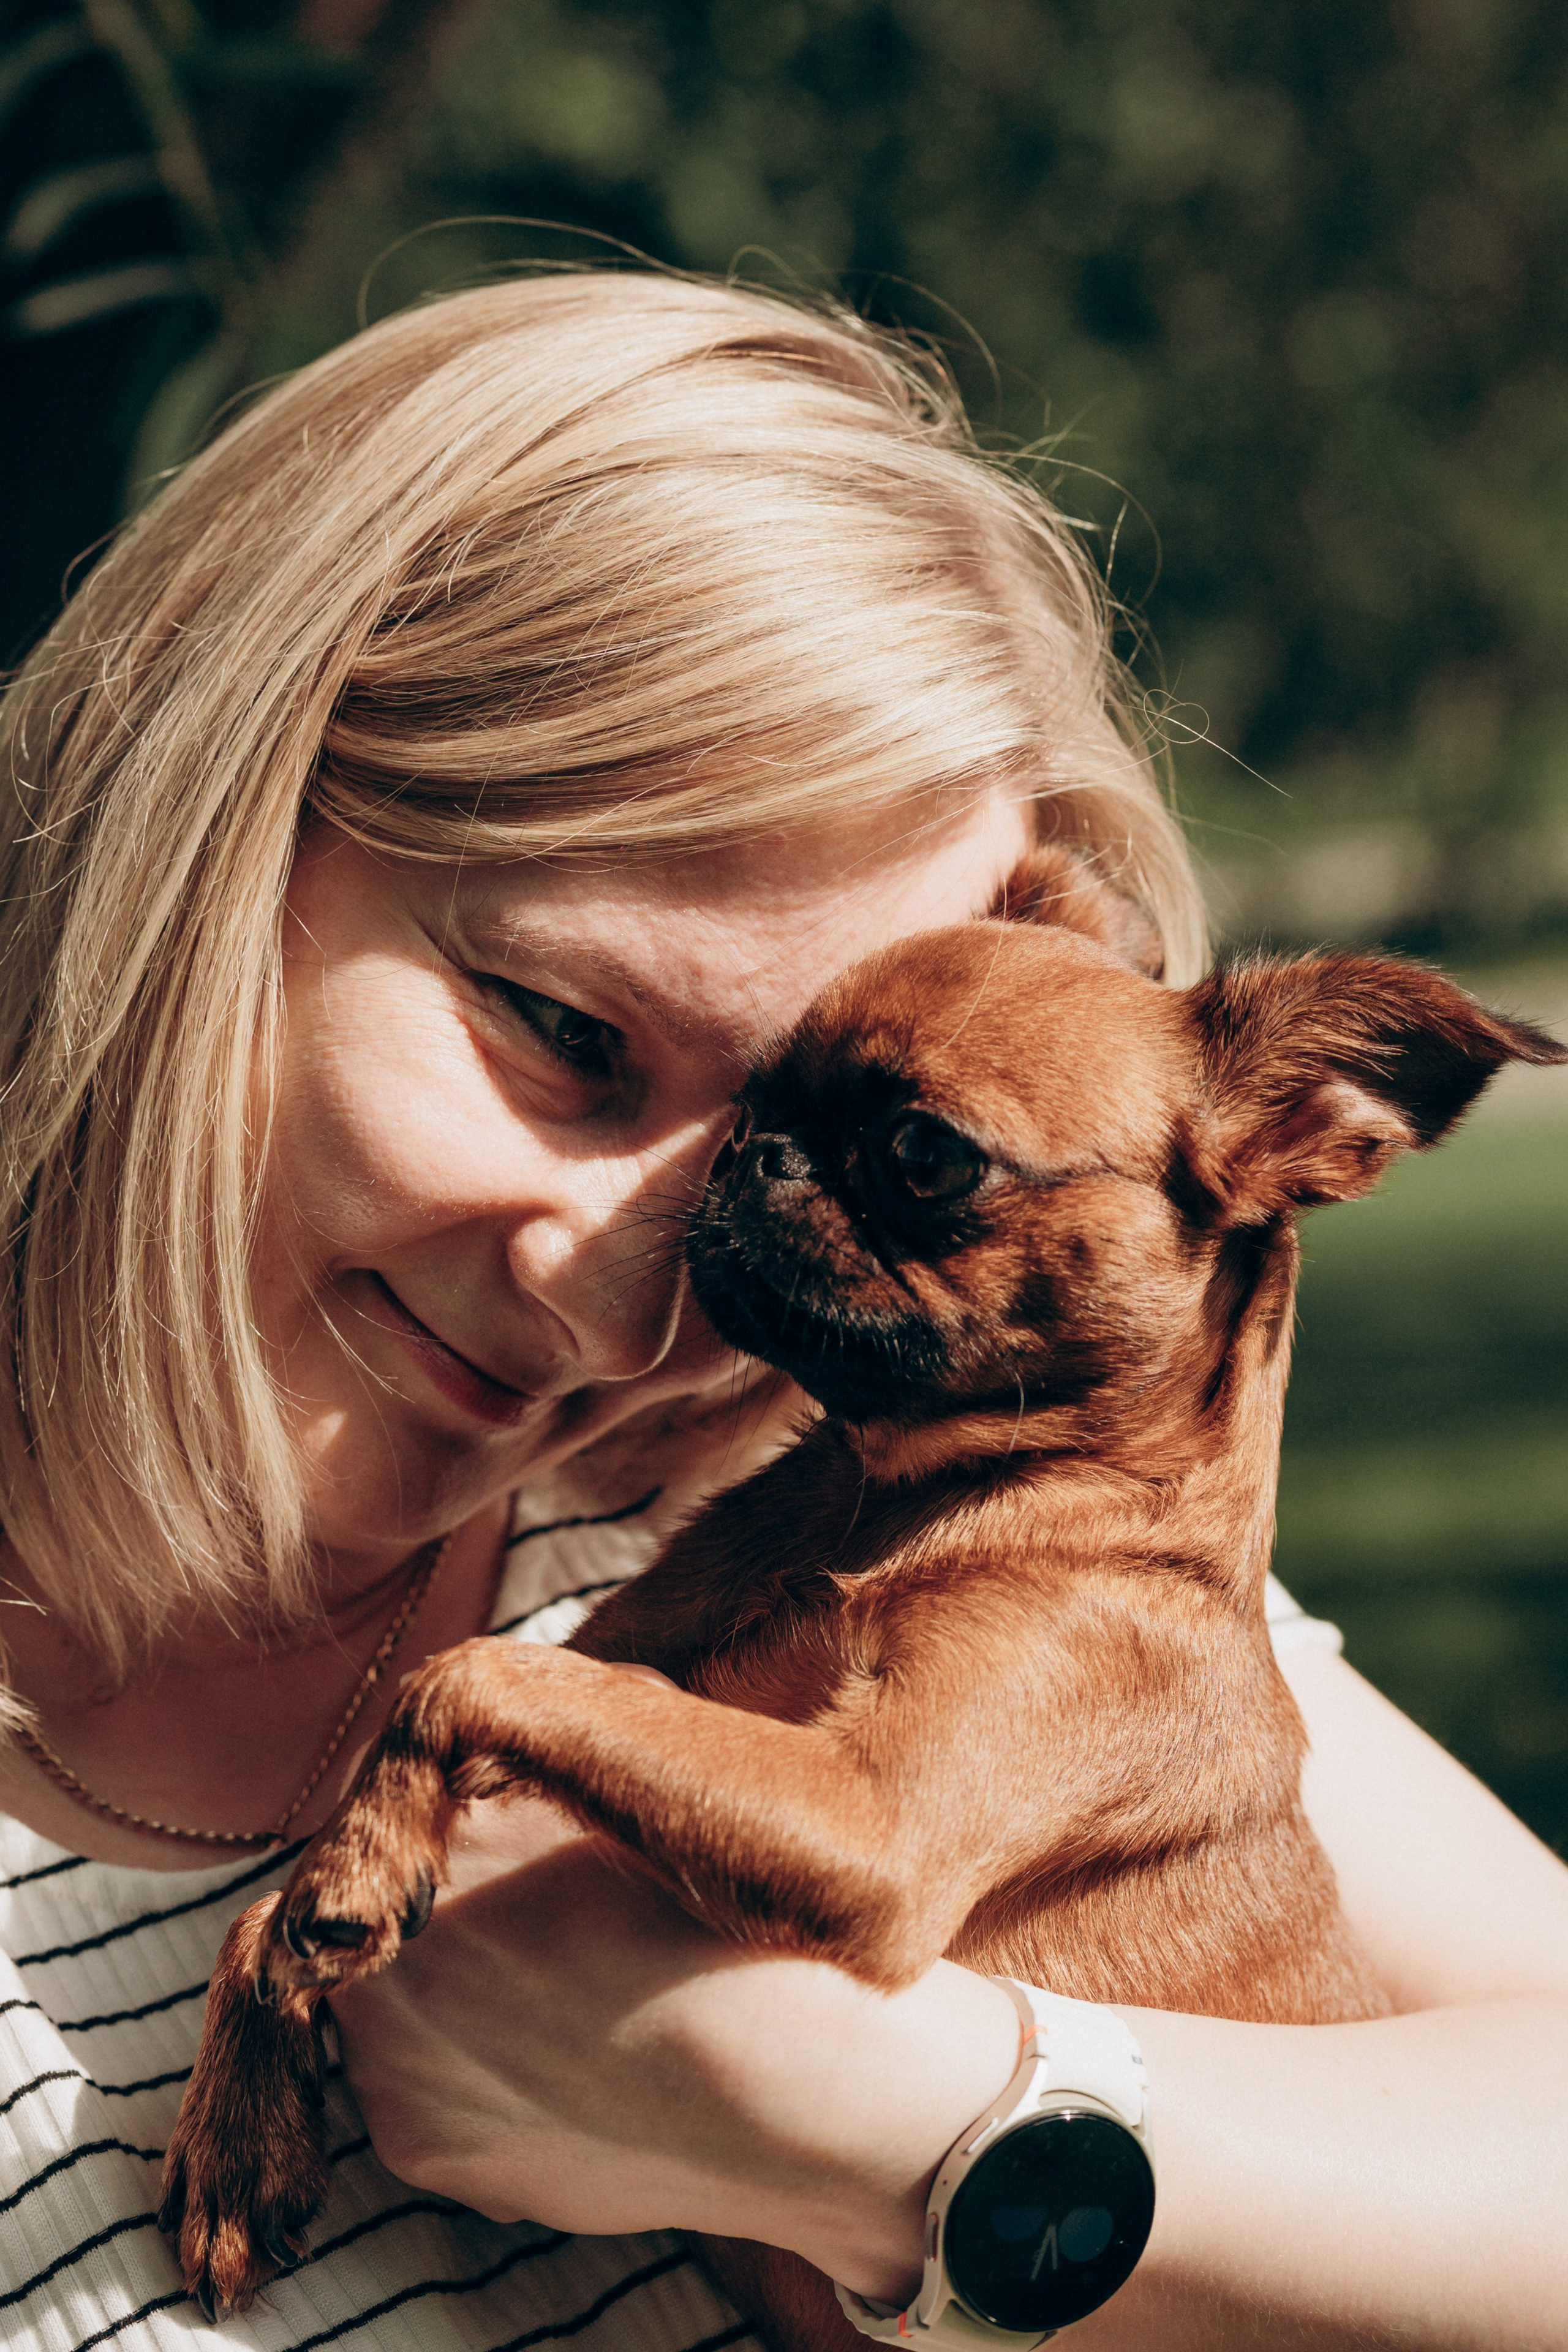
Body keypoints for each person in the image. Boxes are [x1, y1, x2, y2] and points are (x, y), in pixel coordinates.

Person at [0, 271, 1562, 2352]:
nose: (622, 1297)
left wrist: (912, 2125)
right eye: (561, 1031)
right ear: (205, 827)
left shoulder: (867, 1490)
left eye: (773, 1126)